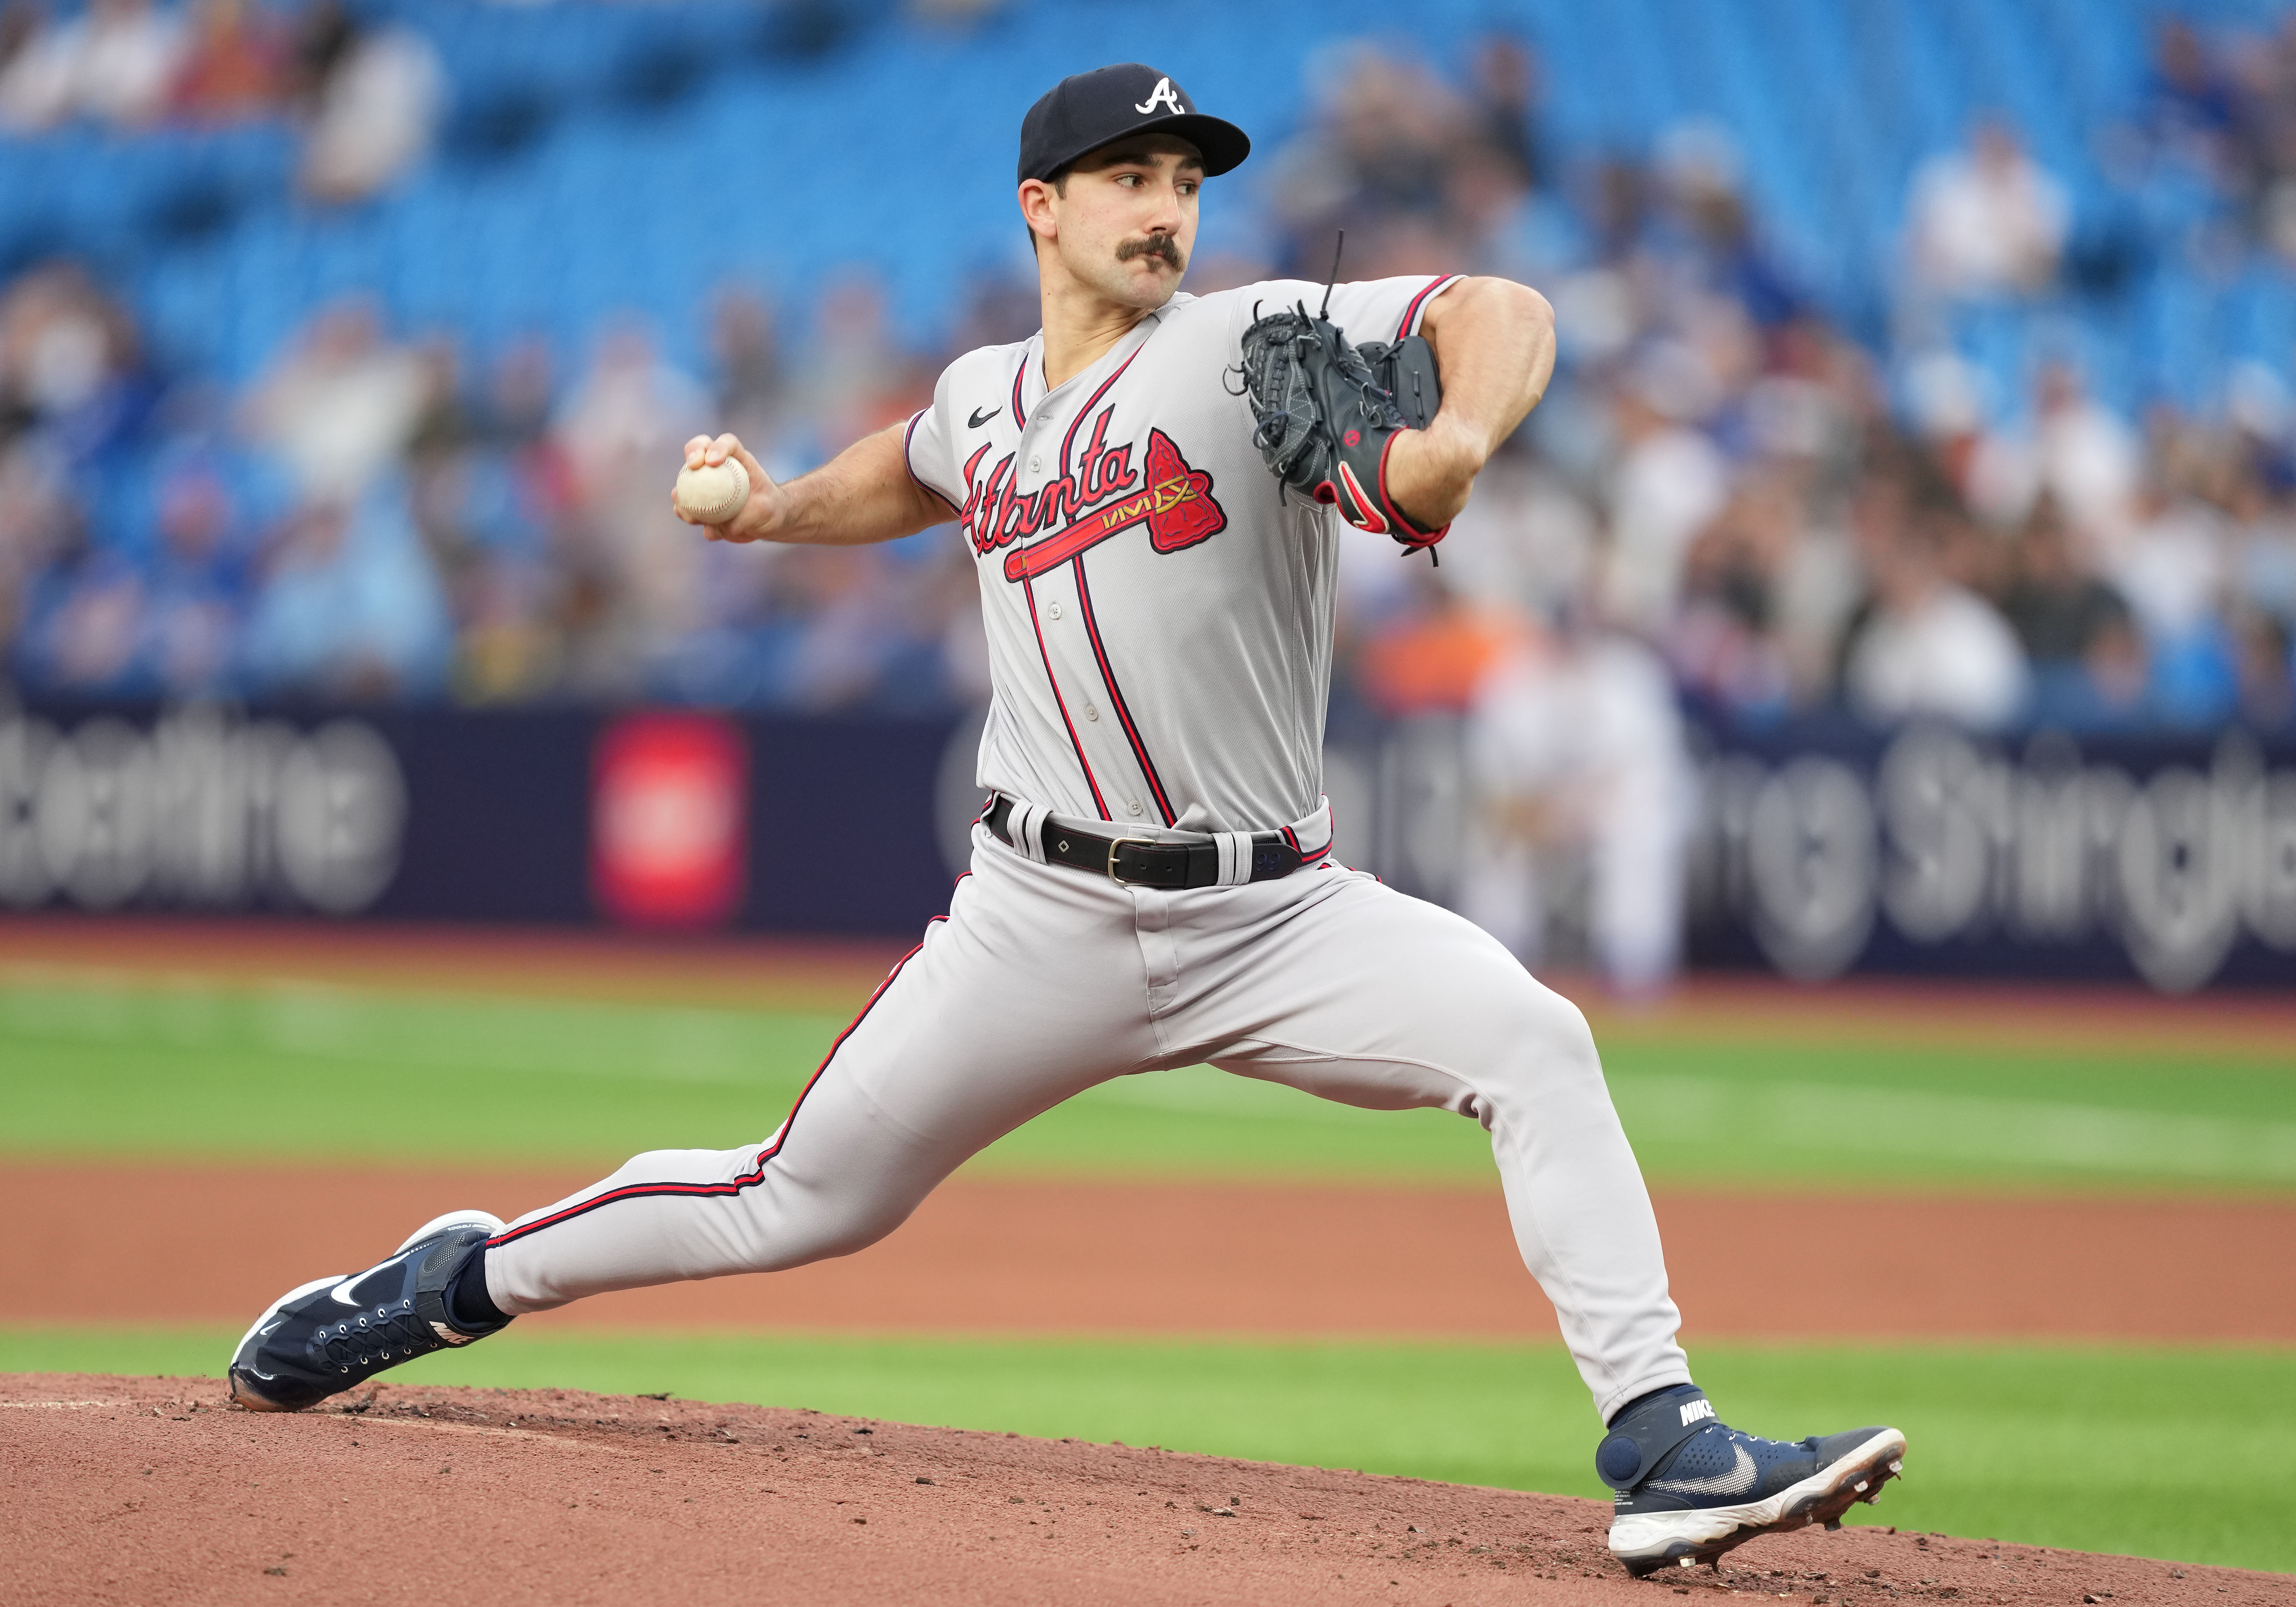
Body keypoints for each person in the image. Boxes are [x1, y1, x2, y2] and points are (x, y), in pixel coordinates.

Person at [226, 64, 1905, 1578]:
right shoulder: (979, 394)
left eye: (1184, 178)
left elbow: (1502, 303)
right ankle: (453, 1279)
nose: (1165, 206)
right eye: (1128, 176)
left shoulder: (1245, 342)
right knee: (790, 1198)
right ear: (1043, 205)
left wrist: (1457, 430)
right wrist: (766, 513)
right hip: (1035, 919)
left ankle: (1662, 1441)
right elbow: (916, 465)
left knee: (1534, 1040)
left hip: (1274, 915)